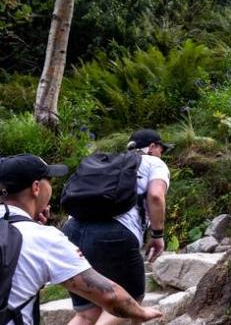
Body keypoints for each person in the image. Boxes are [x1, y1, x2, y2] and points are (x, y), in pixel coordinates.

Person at [0, 154, 162, 325]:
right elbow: (109, 295)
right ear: (36, 187)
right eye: (50, 180)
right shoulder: (43, 238)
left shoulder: (27, 233)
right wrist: (141, 312)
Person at [63, 129, 171, 325]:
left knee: (88, 313)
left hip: (72, 231)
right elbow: (156, 196)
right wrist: (157, 234)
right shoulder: (154, 163)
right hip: (114, 234)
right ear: (153, 147)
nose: (162, 154)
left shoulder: (109, 162)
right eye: (162, 149)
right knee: (130, 303)